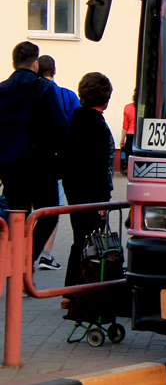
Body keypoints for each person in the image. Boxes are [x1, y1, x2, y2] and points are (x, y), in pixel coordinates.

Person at [0, 42, 66, 266]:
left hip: (10, 166)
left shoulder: (1, 89)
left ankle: (14, 264)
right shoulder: (43, 88)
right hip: (40, 165)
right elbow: (60, 126)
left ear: (14, 62)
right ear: (35, 64)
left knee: (16, 218)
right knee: (48, 216)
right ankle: (26, 265)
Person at [61, 72, 115, 290]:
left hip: (73, 188)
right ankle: (77, 289)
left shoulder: (73, 120)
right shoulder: (97, 126)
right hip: (92, 193)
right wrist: (103, 201)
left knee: (80, 238)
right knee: (87, 242)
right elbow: (100, 166)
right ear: (105, 99)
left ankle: (72, 290)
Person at [34, 55, 81, 271]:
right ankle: (45, 254)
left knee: (28, 213)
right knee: (52, 210)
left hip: (31, 161)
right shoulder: (68, 95)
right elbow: (73, 127)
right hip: (58, 162)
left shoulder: (29, 94)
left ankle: (25, 258)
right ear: (54, 70)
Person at [120, 90, 136, 174]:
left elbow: (125, 126)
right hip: (142, 134)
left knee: (129, 154)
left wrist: (122, 140)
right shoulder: (146, 107)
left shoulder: (128, 107)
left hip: (130, 135)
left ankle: (130, 170)